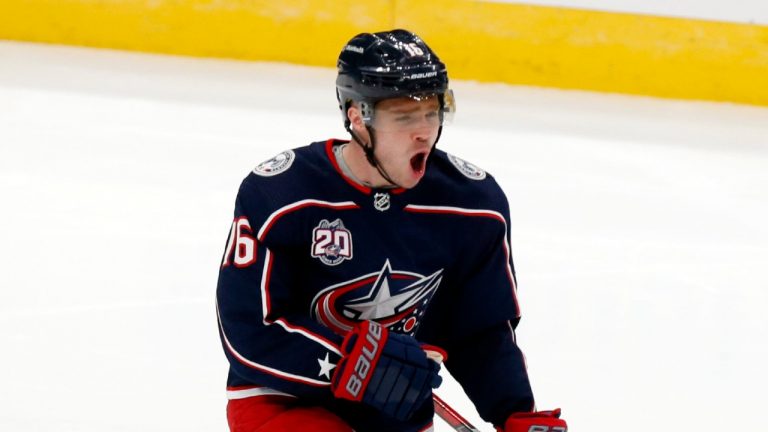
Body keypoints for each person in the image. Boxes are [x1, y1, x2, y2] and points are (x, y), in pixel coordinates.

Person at [216, 29, 567, 432]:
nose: (424, 131)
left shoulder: (473, 206)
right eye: (404, 116)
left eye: (432, 111)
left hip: (395, 407)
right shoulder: (283, 194)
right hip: (286, 399)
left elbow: (479, 330)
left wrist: (513, 412)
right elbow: (247, 328)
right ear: (357, 119)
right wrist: (347, 363)